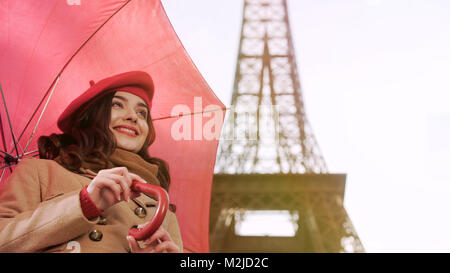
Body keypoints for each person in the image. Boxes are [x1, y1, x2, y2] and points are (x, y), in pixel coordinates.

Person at [0, 71, 183, 253]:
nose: (133, 117)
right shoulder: (40, 172)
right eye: (117, 104)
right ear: (91, 116)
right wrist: (85, 204)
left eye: (142, 113)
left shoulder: (162, 207)